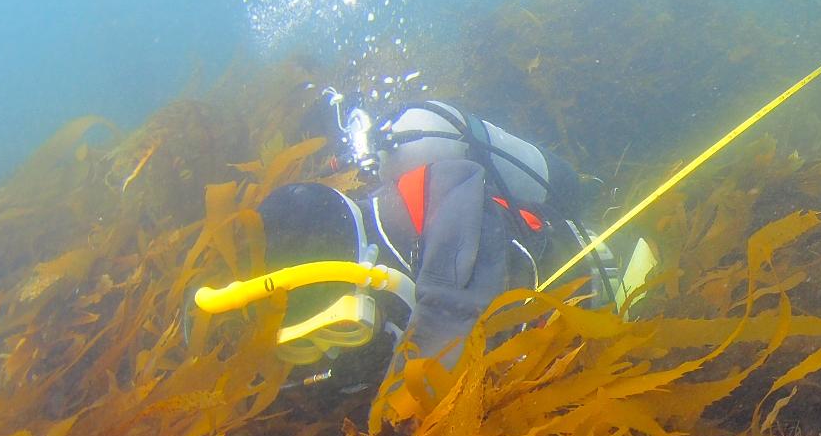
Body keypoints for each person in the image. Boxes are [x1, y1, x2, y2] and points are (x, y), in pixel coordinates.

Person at [197, 97, 653, 407]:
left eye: (342, 329)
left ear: (367, 264)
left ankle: (605, 200)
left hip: (613, 286)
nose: (327, 355)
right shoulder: (328, 285)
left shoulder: (436, 210)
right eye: (303, 346)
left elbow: (454, 316)